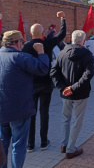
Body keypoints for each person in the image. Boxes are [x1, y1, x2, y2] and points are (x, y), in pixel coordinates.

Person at [0, 30, 49, 168]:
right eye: (22, 41)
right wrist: (41, 52)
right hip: (19, 110)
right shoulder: (21, 57)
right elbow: (43, 69)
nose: (23, 43)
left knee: (3, 144)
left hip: (2, 110)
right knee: (19, 145)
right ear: (17, 43)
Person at [22, 11, 66, 153]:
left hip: (31, 84)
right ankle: (43, 142)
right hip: (46, 83)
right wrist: (62, 19)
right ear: (42, 34)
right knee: (44, 112)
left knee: (31, 114)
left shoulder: (26, 46)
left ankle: (29, 145)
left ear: (30, 33)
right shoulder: (46, 43)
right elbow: (62, 34)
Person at [50, 30, 94, 159]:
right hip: (79, 93)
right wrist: (70, 88)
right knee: (76, 120)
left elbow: (53, 72)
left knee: (66, 119)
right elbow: (88, 74)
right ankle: (69, 148)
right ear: (83, 41)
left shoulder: (62, 53)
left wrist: (64, 88)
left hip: (67, 93)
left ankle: (64, 145)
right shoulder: (87, 54)